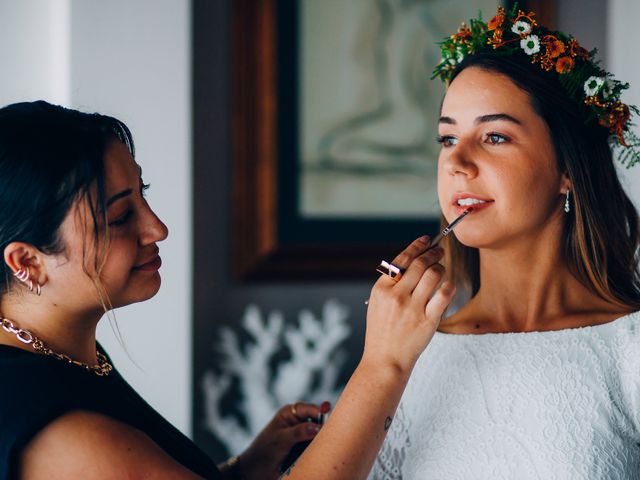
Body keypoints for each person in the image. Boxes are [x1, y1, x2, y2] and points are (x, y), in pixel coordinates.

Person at [0, 100, 454, 479]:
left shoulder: (61, 355)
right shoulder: (56, 429)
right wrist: (384, 363)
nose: (157, 228)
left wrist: (244, 470)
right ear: (28, 262)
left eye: (144, 193)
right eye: (120, 217)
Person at [367, 6, 640, 480]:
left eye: (493, 136)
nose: (458, 162)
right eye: (447, 138)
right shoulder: (407, 353)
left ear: (568, 170)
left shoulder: (629, 348)